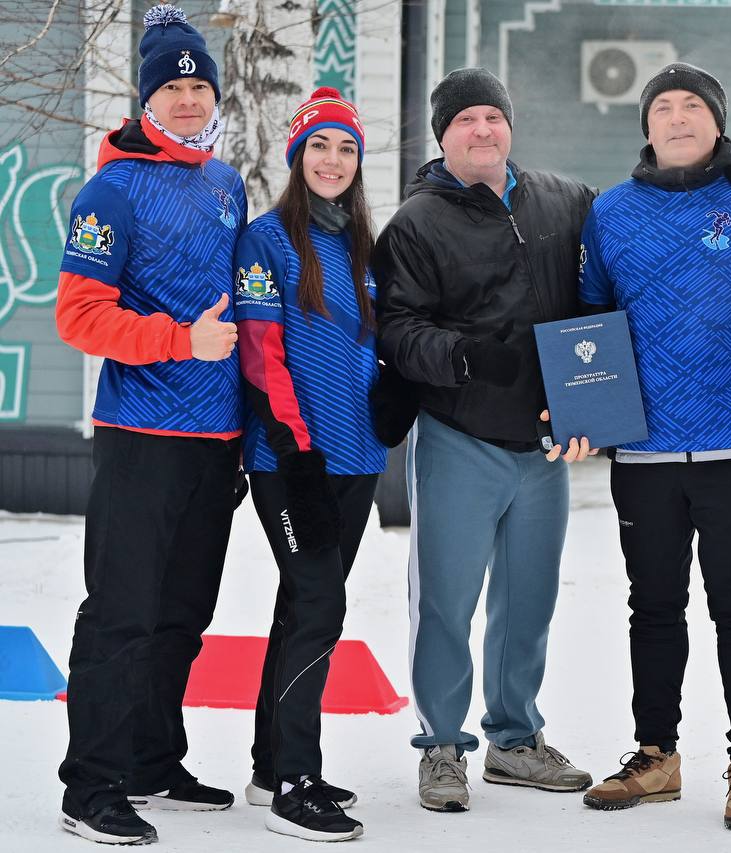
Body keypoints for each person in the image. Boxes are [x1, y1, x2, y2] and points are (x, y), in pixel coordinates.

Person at [575, 62, 731, 832]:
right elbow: (589, 317)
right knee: (653, 605)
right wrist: (589, 410)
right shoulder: (610, 213)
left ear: (716, 122)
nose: (677, 117)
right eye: (662, 107)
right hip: (642, 450)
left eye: (693, 106)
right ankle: (656, 753)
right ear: (645, 126)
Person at [372, 67, 595, 814]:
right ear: (443, 135)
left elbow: (599, 303)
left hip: (542, 443)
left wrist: (589, 406)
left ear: (510, 127)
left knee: (527, 598)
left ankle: (514, 739)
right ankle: (441, 744)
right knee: (445, 598)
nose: (482, 131)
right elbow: (398, 330)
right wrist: (464, 356)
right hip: (459, 434)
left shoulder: (565, 201)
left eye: (493, 118)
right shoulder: (415, 224)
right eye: (465, 121)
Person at [53, 4, 245, 844]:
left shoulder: (225, 181)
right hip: (140, 435)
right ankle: (90, 783)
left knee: (181, 615)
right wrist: (180, 341)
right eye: (174, 86)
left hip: (216, 439)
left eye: (200, 85)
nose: (190, 98)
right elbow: (78, 317)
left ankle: (152, 757)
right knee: (122, 613)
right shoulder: (111, 189)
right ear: (146, 100)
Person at [232, 87, 386, 842]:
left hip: (359, 457)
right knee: (322, 607)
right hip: (294, 460)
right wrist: (295, 452)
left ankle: (270, 765)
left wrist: (391, 406)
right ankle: (297, 780)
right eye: (320, 146)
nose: (333, 160)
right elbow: (263, 357)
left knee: (301, 607)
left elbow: (369, 350)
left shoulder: (360, 247)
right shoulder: (268, 240)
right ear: (298, 156)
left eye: (346, 148)